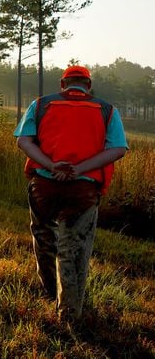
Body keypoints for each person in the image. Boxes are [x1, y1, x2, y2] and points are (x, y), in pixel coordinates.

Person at [14, 65, 127, 323]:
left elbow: (23, 141)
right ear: (88, 85)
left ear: (63, 84)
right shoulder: (107, 111)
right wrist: (79, 169)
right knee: (73, 249)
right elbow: (118, 149)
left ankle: (50, 294)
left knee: (43, 239)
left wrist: (52, 165)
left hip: (44, 186)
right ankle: (69, 313)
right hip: (82, 191)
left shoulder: (41, 105)